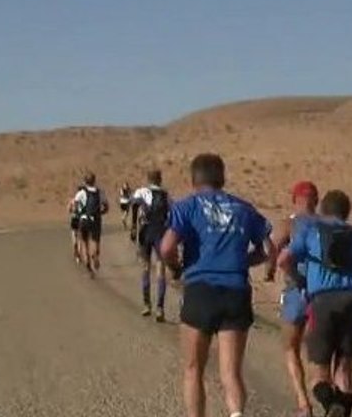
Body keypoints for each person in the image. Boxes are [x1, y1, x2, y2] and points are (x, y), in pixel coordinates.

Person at [159, 153, 276, 417]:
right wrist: (246, 261)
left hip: (200, 288)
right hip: (236, 290)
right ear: (222, 178)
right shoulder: (244, 208)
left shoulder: (186, 207)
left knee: (193, 369)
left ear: (193, 179)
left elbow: (166, 246)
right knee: (231, 373)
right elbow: (269, 250)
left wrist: (176, 266)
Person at [279, 189, 352, 417]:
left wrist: (301, 280)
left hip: (322, 302)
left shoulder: (311, 230)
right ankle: (340, 410)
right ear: (346, 213)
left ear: (322, 210)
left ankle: (330, 407)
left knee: (319, 373)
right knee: (345, 372)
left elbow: (284, 259)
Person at [265, 180, 319, 417]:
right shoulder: (326, 226)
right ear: (316, 201)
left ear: (294, 200)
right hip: (323, 294)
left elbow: (272, 249)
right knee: (320, 351)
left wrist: (269, 272)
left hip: (297, 292)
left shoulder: (289, 224)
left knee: (290, 348)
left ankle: (303, 404)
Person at [130, 169, 171, 321]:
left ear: (148, 179)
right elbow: (171, 215)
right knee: (161, 269)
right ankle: (160, 308)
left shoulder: (141, 192)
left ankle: (147, 304)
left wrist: (134, 226)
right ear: (160, 179)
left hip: (145, 232)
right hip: (160, 232)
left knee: (145, 267)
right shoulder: (166, 195)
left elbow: (133, 205)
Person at [72, 172, 109, 276]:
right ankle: (95, 255)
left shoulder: (81, 193)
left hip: (84, 220)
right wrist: (100, 213)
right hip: (96, 220)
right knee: (96, 240)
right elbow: (106, 207)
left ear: (85, 181)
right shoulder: (100, 192)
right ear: (94, 181)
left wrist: (79, 213)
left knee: (84, 242)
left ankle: (88, 261)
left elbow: (75, 205)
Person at [67, 182, 84, 265]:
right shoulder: (84, 200)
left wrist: (72, 209)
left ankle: (75, 251)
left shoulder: (73, 200)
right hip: (81, 219)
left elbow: (69, 210)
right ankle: (79, 255)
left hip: (74, 219)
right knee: (80, 238)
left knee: (74, 236)